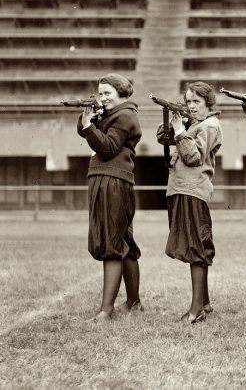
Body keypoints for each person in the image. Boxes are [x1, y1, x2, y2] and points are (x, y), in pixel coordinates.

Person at [77, 73, 143, 321]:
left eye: (107, 93)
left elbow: (108, 147)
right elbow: (84, 131)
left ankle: (106, 310)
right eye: (100, 93)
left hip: (113, 181)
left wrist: (89, 126)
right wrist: (87, 120)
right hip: (108, 179)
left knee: (112, 244)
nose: (102, 97)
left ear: (122, 94)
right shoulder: (111, 113)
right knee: (122, 241)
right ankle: (134, 302)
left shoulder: (125, 115)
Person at [156, 82, 222, 324]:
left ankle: (197, 310)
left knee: (196, 250)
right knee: (193, 247)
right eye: (188, 101)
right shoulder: (194, 124)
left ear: (208, 104)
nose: (191, 106)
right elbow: (163, 139)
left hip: (193, 192)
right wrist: (175, 125)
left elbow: (193, 157)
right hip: (181, 190)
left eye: (197, 102)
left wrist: (180, 131)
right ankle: (204, 302)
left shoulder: (210, 125)